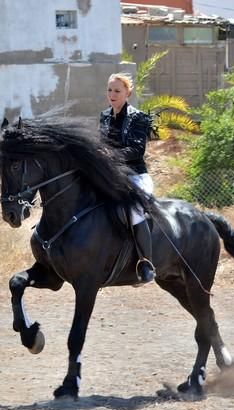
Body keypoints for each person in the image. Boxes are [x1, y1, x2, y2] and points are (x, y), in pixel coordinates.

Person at [99, 73, 155, 283]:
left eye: (117, 91)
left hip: (136, 176)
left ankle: (145, 262)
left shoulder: (139, 117)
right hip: (111, 175)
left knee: (134, 211)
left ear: (127, 93)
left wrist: (110, 155)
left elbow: (137, 150)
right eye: (109, 90)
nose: (112, 95)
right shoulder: (104, 116)